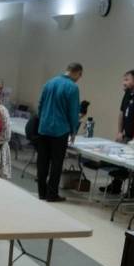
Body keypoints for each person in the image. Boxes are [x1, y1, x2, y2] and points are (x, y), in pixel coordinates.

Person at [35, 62, 82, 202]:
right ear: (76, 72)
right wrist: (73, 130)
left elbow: (40, 105)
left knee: (42, 160)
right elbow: (73, 111)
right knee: (56, 162)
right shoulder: (73, 87)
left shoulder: (49, 83)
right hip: (60, 130)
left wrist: (42, 121)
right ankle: (52, 193)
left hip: (44, 128)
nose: (79, 78)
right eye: (79, 75)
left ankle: (41, 192)